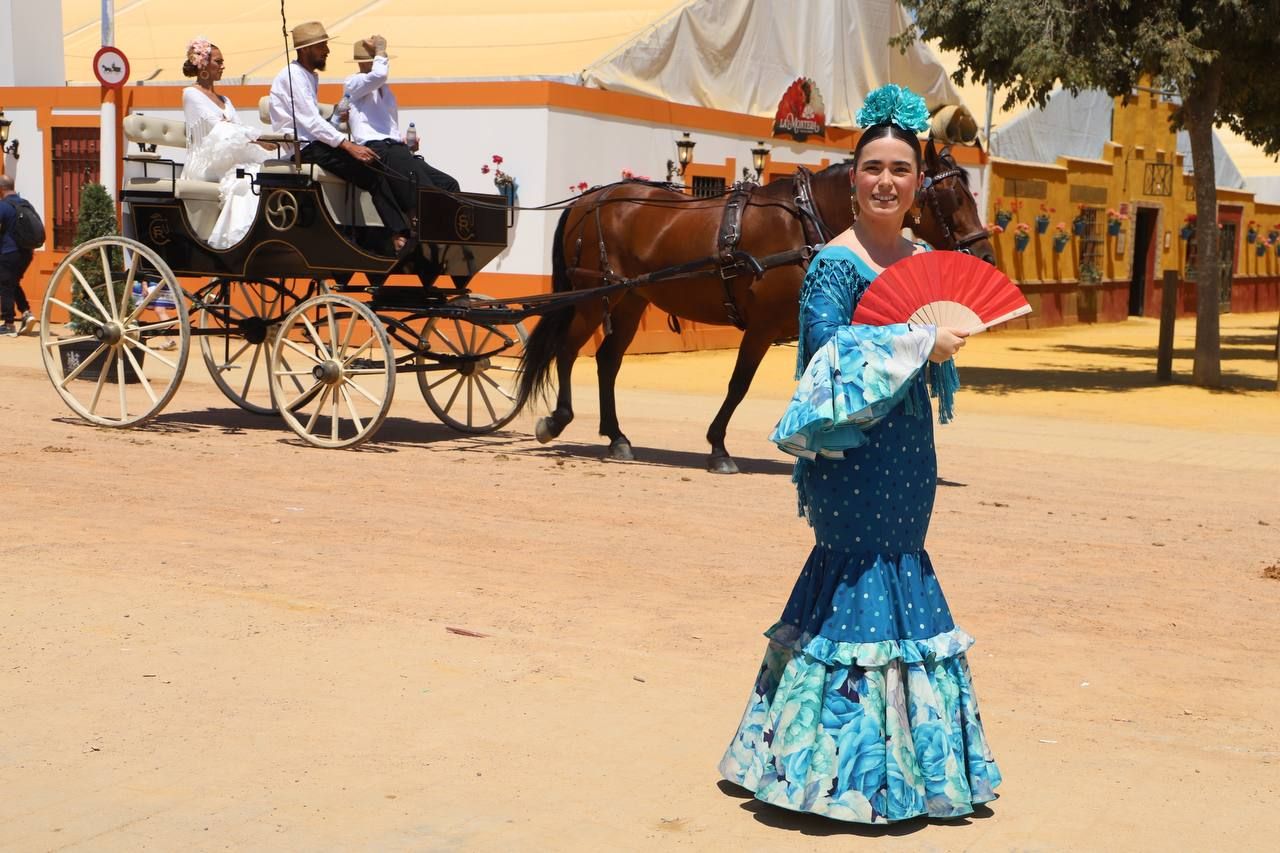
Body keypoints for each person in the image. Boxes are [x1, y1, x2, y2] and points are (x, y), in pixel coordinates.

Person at [717, 84, 1001, 824]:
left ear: (917, 183)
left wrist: (943, 344)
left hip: (909, 452)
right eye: (872, 167)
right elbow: (824, 359)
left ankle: (907, 768)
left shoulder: (925, 258)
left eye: (900, 170)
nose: (885, 181)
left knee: (903, 570)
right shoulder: (834, 267)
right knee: (853, 572)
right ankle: (830, 775)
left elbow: (932, 352)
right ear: (852, 179)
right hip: (852, 454)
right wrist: (917, 342)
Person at [268, 21, 409, 253]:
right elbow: (310, 123)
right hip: (304, 148)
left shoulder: (308, 76)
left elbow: (312, 121)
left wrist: (337, 122)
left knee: (374, 168)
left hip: (313, 143)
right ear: (305, 50)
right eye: (321, 46)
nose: (327, 51)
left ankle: (374, 234)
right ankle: (395, 235)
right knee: (373, 173)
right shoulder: (293, 76)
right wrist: (348, 146)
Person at [341, 35, 460, 216]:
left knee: (448, 184)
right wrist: (380, 49)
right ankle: (425, 231)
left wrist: (405, 142)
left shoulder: (386, 90)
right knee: (425, 192)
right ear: (366, 63)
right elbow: (379, 75)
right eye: (380, 60)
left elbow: (387, 125)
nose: (384, 64)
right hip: (378, 149)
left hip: (395, 148)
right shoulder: (353, 83)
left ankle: (451, 233)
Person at [180, 37, 272, 249]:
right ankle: (233, 239)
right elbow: (219, 128)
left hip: (227, 160)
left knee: (260, 174)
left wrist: (258, 140)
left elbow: (238, 127)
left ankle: (255, 236)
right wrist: (257, 137)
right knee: (246, 181)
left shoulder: (226, 100)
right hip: (206, 163)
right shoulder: (191, 94)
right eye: (218, 62)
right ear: (203, 64)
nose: (223, 66)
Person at [0, 175, 37, 336]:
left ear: (1, 189)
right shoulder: (25, 204)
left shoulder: (4, 206)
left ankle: (8, 324)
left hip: (9, 252)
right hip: (27, 253)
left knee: (5, 286)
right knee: (12, 283)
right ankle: (26, 313)